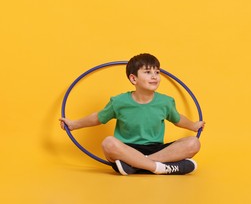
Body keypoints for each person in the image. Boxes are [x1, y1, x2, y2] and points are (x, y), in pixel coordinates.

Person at [60, 53, 205, 175]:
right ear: (133, 79)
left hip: (155, 149)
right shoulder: (119, 101)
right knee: (108, 143)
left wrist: (193, 126)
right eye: (148, 72)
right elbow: (98, 118)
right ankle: (160, 167)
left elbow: (178, 119)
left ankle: (137, 165)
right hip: (127, 149)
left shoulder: (166, 102)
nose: (154, 76)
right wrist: (73, 124)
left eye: (157, 72)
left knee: (193, 143)